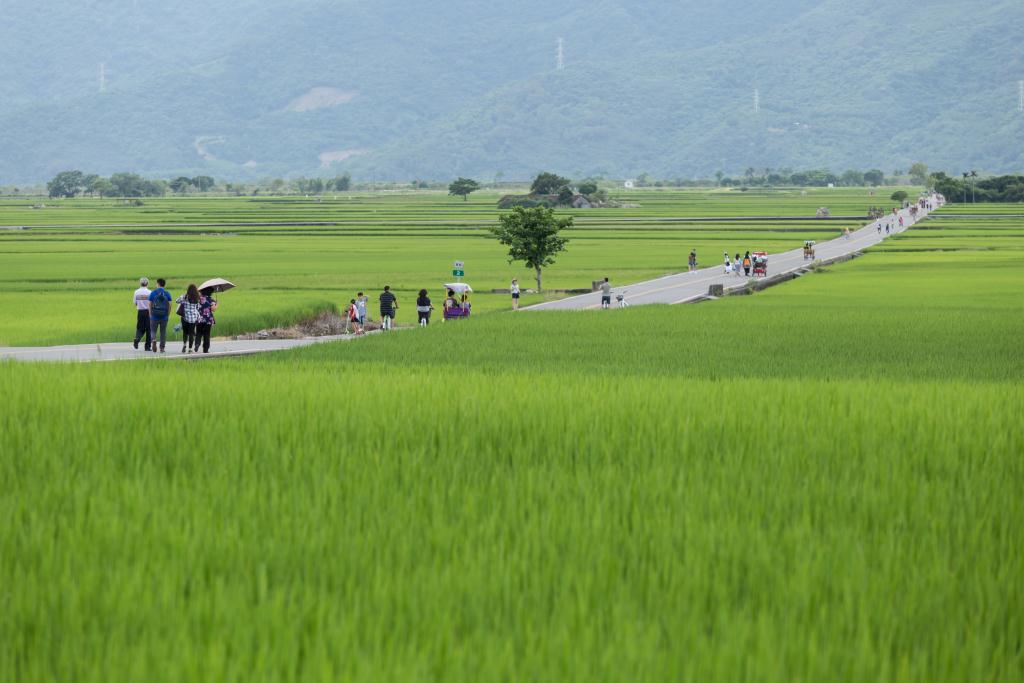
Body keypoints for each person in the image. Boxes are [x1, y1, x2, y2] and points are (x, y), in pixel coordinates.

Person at [147, 278, 173, 353]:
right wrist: (167, 314)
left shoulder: (153, 293)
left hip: (154, 316)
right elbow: (170, 305)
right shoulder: (167, 293)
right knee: (163, 332)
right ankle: (162, 348)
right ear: (164, 285)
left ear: (158, 284)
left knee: (153, 331)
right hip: (164, 316)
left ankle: (154, 340)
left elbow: (149, 304)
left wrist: (150, 314)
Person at [175, 284, 202, 353]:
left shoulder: (184, 296)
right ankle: (190, 349)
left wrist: (182, 300)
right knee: (191, 333)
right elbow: (198, 307)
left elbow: (177, 301)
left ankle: (184, 345)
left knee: (185, 332)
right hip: (193, 319)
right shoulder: (197, 298)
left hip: (185, 318)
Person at [195, 288, 218, 353]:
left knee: (198, 333)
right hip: (208, 320)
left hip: (199, 319)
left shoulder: (198, 299)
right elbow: (213, 309)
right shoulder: (211, 299)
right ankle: (205, 349)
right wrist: (217, 304)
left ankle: (197, 344)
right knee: (207, 334)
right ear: (210, 292)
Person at [132, 277, 152, 350]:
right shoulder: (150, 292)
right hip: (148, 312)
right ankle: (147, 346)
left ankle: (137, 338)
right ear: (147, 283)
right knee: (149, 329)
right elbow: (152, 304)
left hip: (140, 312)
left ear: (140, 283)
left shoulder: (136, 292)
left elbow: (135, 303)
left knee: (140, 327)